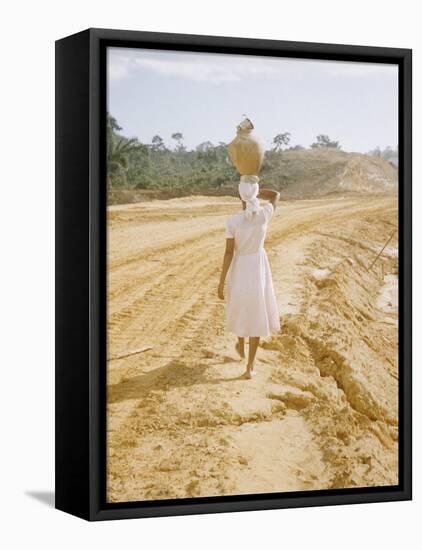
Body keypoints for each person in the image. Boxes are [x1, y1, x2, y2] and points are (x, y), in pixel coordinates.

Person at [218, 176, 281, 379]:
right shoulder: (264, 215)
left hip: (240, 267)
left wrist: (221, 281)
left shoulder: (233, 221)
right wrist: (256, 191)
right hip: (258, 267)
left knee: (240, 306)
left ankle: (240, 345)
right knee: (256, 311)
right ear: (253, 193)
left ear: (239, 194)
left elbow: (228, 253)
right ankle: (250, 366)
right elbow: (276, 195)